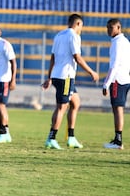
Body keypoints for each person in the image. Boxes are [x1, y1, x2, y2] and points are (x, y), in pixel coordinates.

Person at [41, 14, 99, 149]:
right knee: (62, 107)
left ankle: (71, 137)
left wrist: (49, 77)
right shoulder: (73, 36)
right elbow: (77, 57)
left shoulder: (59, 35)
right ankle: (51, 138)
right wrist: (91, 72)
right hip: (66, 77)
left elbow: (52, 58)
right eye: (81, 27)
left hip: (58, 76)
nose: (81, 30)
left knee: (75, 102)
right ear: (78, 24)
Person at [102, 19, 130, 150]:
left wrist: (106, 84)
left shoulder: (118, 43)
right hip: (125, 78)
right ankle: (117, 139)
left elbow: (114, 65)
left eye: (111, 27)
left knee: (117, 108)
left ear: (119, 28)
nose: (109, 30)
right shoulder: (125, 41)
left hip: (117, 79)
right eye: (107, 28)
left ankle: (118, 141)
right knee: (118, 108)